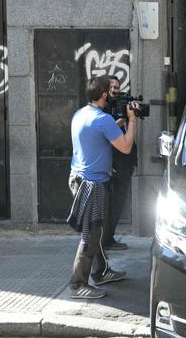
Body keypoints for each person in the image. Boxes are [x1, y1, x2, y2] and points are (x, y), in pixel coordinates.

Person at [66, 76, 139, 299]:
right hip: (92, 184)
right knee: (91, 234)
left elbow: (94, 139)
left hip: (78, 177)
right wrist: (132, 120)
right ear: (105, 95)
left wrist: (116, 125)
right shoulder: (102, 120)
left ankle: (101, 271)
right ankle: (78, 284)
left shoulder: (81, 114)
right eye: (110, 91)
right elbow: (125, 147)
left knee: (96, 231)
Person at [103, 75, 138, 250]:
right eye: (112, 87)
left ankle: (110, 238)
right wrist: (124, 119)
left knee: (119, 203)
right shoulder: (103, 109)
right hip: (112, 164)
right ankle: (105, 240)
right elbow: (105, 137)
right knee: (109, 204)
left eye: (117, 87)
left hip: (125, 162)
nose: (115, 90)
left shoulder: (124, 102)